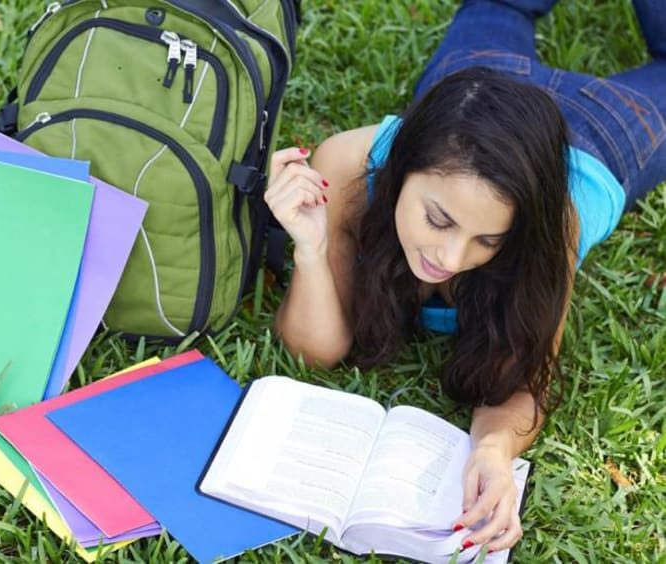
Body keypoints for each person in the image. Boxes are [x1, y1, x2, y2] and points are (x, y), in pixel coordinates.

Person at [264, 0, 666, 554]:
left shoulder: (553, 226)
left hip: (594, 134)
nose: (451, 259)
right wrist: (310, 249)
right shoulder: (349, 168)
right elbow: (315, 352)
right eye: (438, 219)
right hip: (478, 93)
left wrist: (493, 451)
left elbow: (523, 379)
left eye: (489, 240)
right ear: (403, 164)